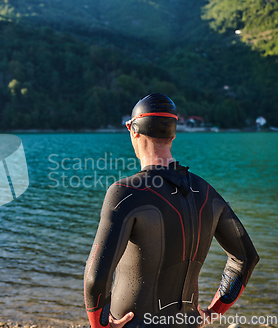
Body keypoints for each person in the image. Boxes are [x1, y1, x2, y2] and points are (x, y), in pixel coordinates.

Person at [83, 93, 259, 328]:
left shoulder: (125, 192)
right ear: (173, 134)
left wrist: (101, 325)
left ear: (134, 131)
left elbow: (95, 279)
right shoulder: (206, 192)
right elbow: (246, 258)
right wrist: (212, 312)